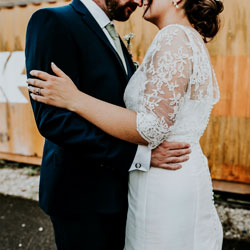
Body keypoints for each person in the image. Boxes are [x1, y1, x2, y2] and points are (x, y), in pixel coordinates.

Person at [28, 0, 225, 249]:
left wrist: (76, 99)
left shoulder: (172, 37)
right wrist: (139, 156)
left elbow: (151, 126)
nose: (141, 0)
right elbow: (53, 119)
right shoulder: (52, 21)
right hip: (83, 195)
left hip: (156, 182)